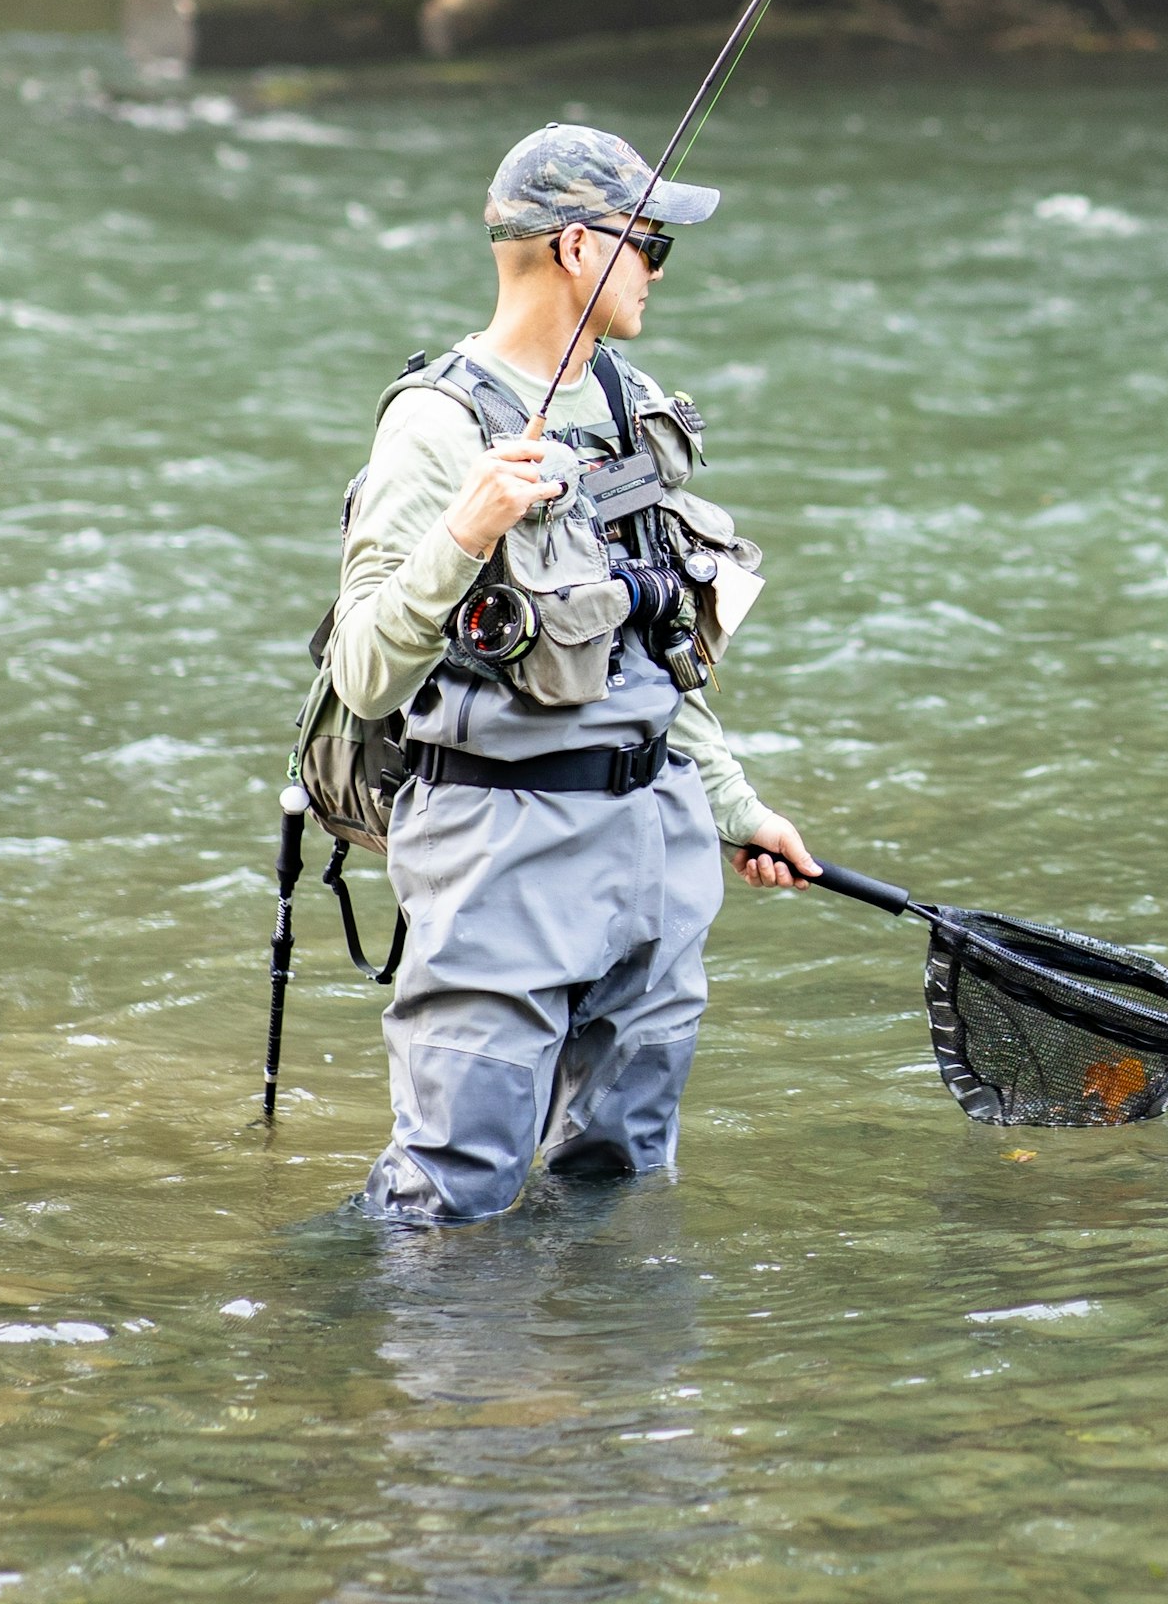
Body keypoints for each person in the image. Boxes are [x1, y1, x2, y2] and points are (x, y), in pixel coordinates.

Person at [319, 122, 818, 1224]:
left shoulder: (631, 402)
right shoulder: (435, 425)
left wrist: (733, 808)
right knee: (454, 1196)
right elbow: (363, 672)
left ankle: (606, 1391)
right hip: (503, 854)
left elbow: (659, 649)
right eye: (652, 244)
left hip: (659, 846)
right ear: (580, 249)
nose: (657, 270)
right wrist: (468, 528)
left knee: (623, 1181)